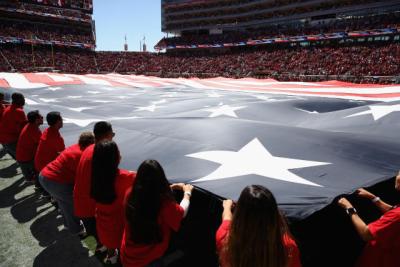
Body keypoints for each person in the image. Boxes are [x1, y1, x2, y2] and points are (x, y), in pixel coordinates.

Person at [121, 159, 194, 267]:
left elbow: (146, 194)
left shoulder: (130, 194)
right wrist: (187, 192)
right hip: (149, 259)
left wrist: (170, 188)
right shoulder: (163, 203)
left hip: (128, 254)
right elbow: (181, 213)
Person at [216, 185, 302, 267]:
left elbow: (226, 219)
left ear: (240, 213)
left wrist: (227, 207)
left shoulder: (225, 239)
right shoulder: (288, 247)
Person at [337, 171, 400, 267]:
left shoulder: (397, 215)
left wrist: (349, 208)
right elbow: (393, 211)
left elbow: (366, 234)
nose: (397, 176)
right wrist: (373, 198)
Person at [38, 132, 95, 236]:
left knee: (64, 203)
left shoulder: (75, 147)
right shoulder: (82, 155)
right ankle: (76, 230)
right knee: (72, 205)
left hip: (44, 176)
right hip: (55, 181)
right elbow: (83, 178)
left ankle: (68, 224)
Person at [90, 141, 136, 264]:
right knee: (123, 246)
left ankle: (111, 256)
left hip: (102, 223)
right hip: (120, 225)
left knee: (109, 242)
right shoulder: (127, 177)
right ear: (115, 158)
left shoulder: (95, 176)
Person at [73, 121, 114, 251]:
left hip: (81, 200)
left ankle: (99, 246)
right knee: (99, 230)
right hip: (90, 202)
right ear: (107, 135)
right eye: (112, 134)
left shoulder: (90, 149)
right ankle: (104, 248)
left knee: (91, 228)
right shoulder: (100, 153)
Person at [16, 110, 43, 183]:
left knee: (29, 175)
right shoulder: (33, 130)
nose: (42, 118)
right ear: (37, 120)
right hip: (26, 158)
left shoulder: (30, 126)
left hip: (22, 156)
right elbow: (42, 145)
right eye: (41, 117)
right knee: (38, 171)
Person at [0, 92, 27, 158]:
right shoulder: (18, 111)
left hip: (4, 138)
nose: (24, 100)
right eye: (23, 99)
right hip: (11, 139)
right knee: (22, 157)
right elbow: (25, 126)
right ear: (19, 100)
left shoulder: (8, 108)